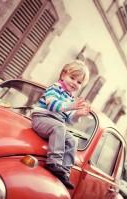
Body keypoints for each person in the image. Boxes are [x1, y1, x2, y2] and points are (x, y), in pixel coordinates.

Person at [31, 60, 90, 189]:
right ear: (63, 75)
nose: (75, 83)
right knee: (59, 128)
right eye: (72, 78)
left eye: (79, 82)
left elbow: (69, 119)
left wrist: (78, 114)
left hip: (55, 124)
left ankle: (65, 172)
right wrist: (71, 106)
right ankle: (54, 162)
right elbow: (52, 105)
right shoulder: (55, 87)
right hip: (41, 118)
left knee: (72, 140)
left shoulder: (70, 97)